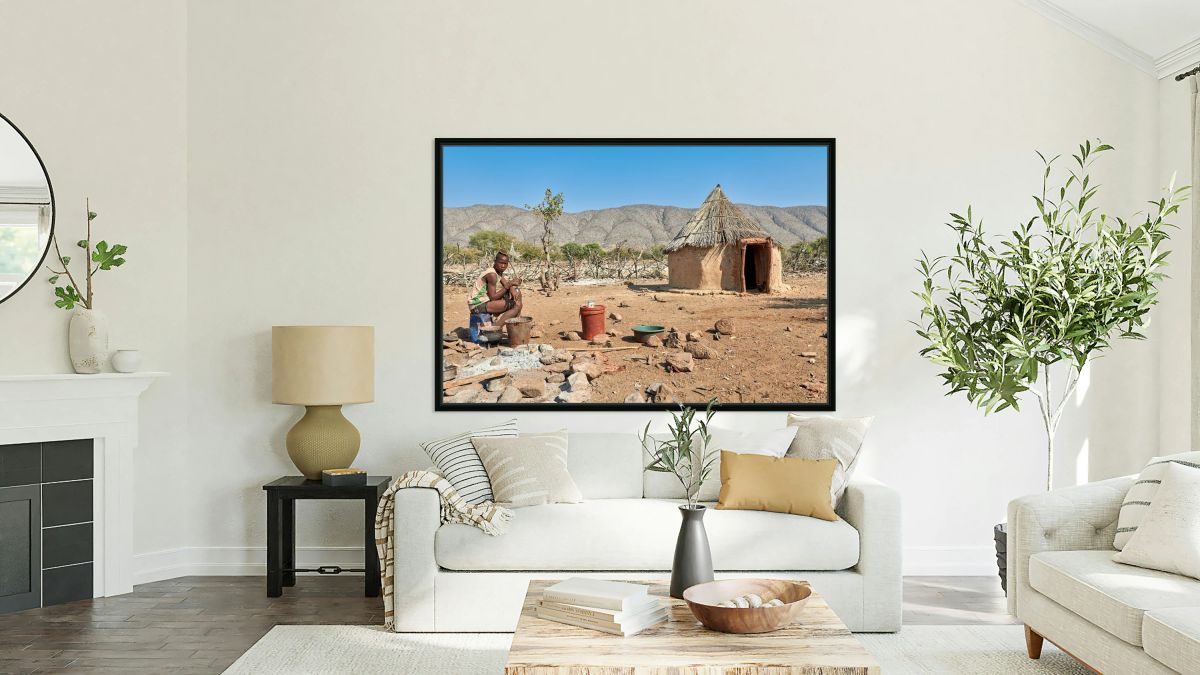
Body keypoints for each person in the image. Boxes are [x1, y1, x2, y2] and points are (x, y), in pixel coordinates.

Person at [469, 251, 523, 326]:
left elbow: (506, 283)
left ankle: (516, 324)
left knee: (517, 292)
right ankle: (496, 328)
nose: (503, 266)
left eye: (505, 263)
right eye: (501, 263)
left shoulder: (497, 272)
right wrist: (510, 284)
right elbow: (493, 297)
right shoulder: (492, 274)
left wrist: (512, 288)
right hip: (477, 305)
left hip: (486, 302)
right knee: (516, 305)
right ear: (495, 262)